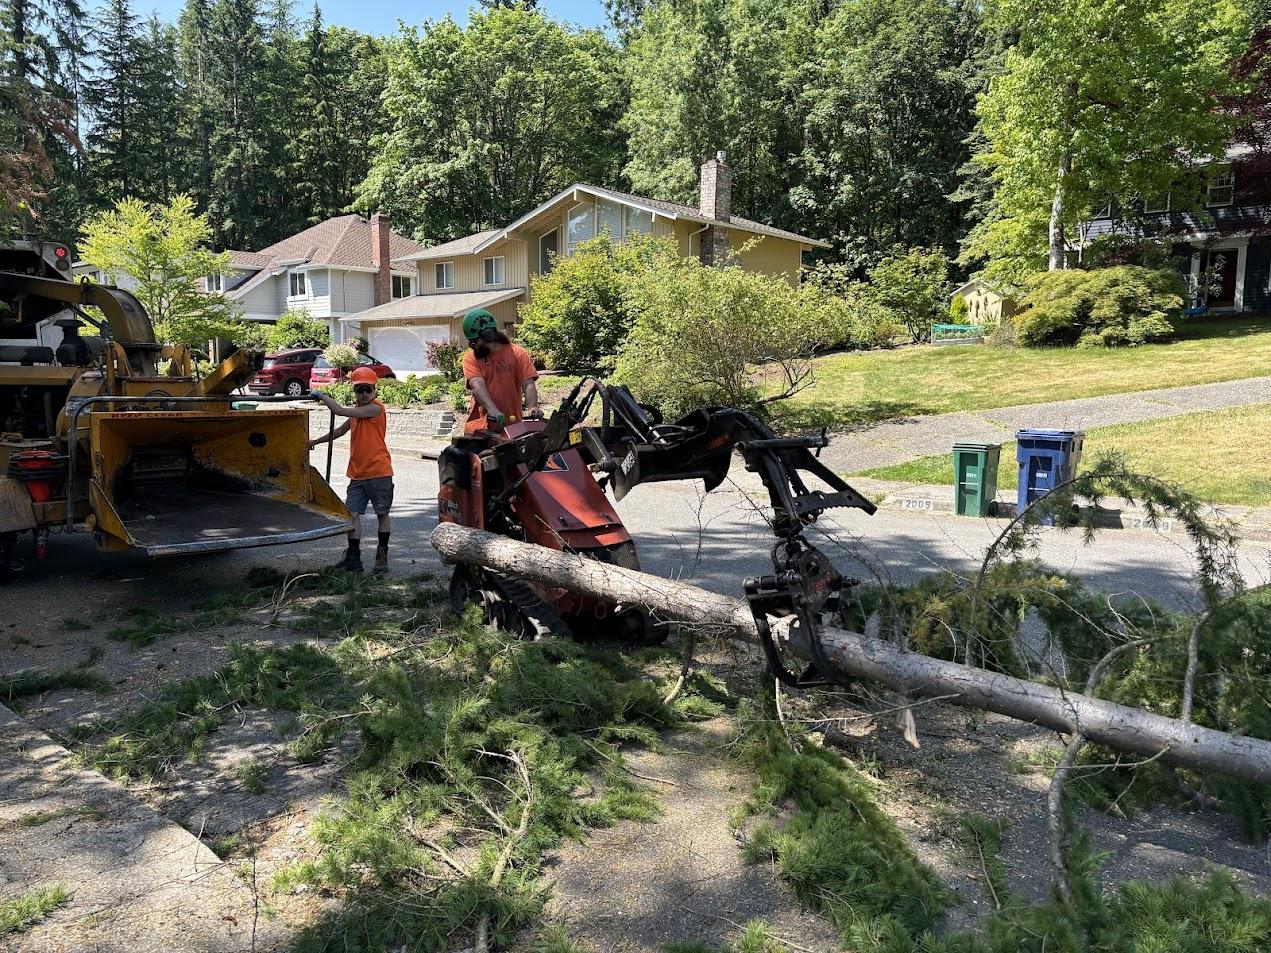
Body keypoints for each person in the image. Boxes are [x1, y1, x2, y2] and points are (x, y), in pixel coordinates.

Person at [309, 366, 393, 573]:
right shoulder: (357, 412)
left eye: (367, 389)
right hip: (357, 473)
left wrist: (322, 394)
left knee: (382, 514)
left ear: (375, 391)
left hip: (379, 471)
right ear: (354, 391)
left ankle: (381, 556)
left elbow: (338, 410)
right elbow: (339, 431)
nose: (364, 394)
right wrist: (315, 441)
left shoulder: (375, 409)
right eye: (359, 390)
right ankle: (354, 559)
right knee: (352, 515)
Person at [459, 308, 542, 435]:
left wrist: (532, 407)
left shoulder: (517, 353)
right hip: (480, 427)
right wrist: (492, 409)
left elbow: (528, 383)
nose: (471, 346)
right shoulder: (471, 357)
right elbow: (477, 385)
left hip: (512, 426)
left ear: (488, 336)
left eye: (473, 341)